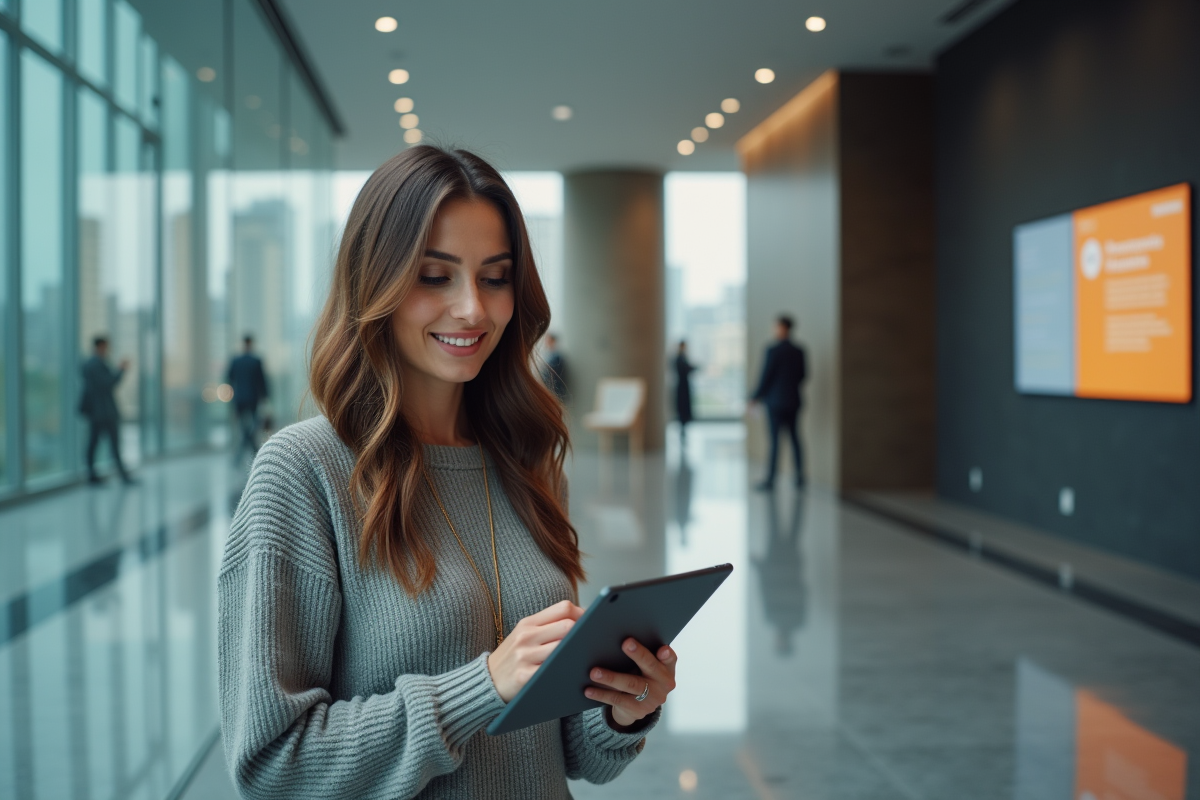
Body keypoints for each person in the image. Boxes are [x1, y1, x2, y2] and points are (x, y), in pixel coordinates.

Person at [219, 146, 677, 800]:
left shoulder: (529, 462)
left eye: (495, 278)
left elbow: (572, 755)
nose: (473, 310)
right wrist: (481, 686)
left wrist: (621, 707)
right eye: (435, 276)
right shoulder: (302, 471)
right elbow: (274, 766)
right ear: (373, 282)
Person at [750, 314, 808, 490]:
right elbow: (804, 375)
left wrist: (755, 396)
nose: (774, 330)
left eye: (776, 327)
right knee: (795, 438)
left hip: (775, 402)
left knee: (775, 441)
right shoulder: (799, 351)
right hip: (794, 400)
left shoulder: (773, 350)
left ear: (783, 328)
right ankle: (799, 478)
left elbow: (766, 376)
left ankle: (771, 480)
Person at [79, 336, 134, 485]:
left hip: (99, 411)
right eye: (106, 347)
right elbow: (108, 383)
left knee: (96, 443)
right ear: (100, 346)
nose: (107, 350)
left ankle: (94, 475)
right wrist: (121, 370)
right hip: (102, 412)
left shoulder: (92, 364)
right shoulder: (95, 364)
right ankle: (115, 476)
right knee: (106, 444)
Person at [227, 334, 269, 464]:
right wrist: (266, 397)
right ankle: (255, 451)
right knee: (251, 428)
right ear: (251, 344)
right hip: (253, 398)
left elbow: (229, 378)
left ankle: (240, 456)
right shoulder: (256, 361)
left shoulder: (235, 360)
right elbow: (262, 381)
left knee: (243, 427)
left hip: (239, 398)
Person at [672, 340, 696, 442]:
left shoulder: (682, 357)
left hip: (684, 386)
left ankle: (684, 428)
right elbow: (685, 369)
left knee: (684, 408)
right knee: (682, 408)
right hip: (682, 387)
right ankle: (682, 428)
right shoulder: (679, 358)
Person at [540, 332, 569, 402]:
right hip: (550, 389)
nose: (546, 342)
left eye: (548, 340)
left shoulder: (557, 357)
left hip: (556, 390)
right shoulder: (549, 356)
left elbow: (552, 374)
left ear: (553, 341)